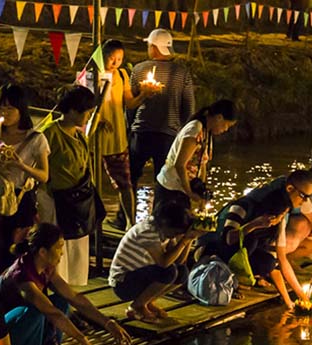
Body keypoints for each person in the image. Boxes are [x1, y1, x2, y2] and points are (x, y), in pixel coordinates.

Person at [0, 223, 132, 345]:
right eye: (58, 247)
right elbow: (51, 313)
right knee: (38, 311)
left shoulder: (45, 267)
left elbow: (74, 297)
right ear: (43, 252)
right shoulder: (23, 277)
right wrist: (82, 340)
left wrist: (108, 323)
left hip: (23, 325)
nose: (62, 253)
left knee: (61, 301)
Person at [0, 83, 51, 288]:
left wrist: (20, 165)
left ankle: (15, 295)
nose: (4, 112)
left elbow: (44, 175)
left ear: (21, 109)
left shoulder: (35, 138)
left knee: (14, 254)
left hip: (19, 202)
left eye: (9, 108)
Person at [198, 170, 312, 308]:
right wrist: (254, 225)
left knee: (268, 262)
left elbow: (281, 261)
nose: (305, 201)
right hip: (215, 251)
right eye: (303, 196)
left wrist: (296, 299)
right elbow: (228, 239)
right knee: (251, 240)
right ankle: (231, 281)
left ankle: (239, 280)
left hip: (240, 256)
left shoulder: (279, 219)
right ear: (289, 189)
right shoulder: (244, 206)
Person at [122, 29, 196, 229]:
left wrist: (128, 128)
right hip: (169, 134)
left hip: (142, 131)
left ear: (154, 47)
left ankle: (125, 219)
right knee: (163, 180)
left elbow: (131, 106)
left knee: (131, 177)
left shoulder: (139, 69)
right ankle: (159, 220)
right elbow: (189, 107)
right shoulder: (182, 73)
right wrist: (184, 133)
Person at [40, 86, 100, 286]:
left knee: (77, 246)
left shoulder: (79, 135)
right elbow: (39, 167)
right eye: (87, 112)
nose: (89, 116)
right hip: (56, 199)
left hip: (78, 200)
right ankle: (57, 285)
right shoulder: (50, 134)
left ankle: (73, 287)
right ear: (73, 110)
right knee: (59, 248)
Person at [109, 202, 199, 321]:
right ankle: (137, 306)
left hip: (141, 275)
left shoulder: (164, 231)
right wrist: (184, 240)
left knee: (182, 272)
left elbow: (179, 261)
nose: (174, 236)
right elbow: (164, 263)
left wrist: (189, 238)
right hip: (123, 283)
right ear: (165, 224)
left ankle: (146, 302)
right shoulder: (147, 231)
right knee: (169, 271)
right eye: (175, 232)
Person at [97, 40, 147, 231]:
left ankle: (130, 223)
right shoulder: (92, 74)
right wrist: (98, 119)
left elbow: (130, 103)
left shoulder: (122, 74)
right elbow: (85, 102)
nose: (116, 62)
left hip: (117, 136)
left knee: (124, 181)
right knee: (92, 181)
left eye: (120, 59)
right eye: (112, 58)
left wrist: (144, 95)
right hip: (95, 136)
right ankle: (94, 222)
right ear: (102, 56)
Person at [155, 99, 237, 211]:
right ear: (219, 117)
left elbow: (202, 165)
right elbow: (180, 164)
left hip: (182, 189)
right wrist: (189, 193)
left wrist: (201, 193)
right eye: (227, 125)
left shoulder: (206, 132)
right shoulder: (195, 129)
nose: (226, 129)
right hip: (170, 188)